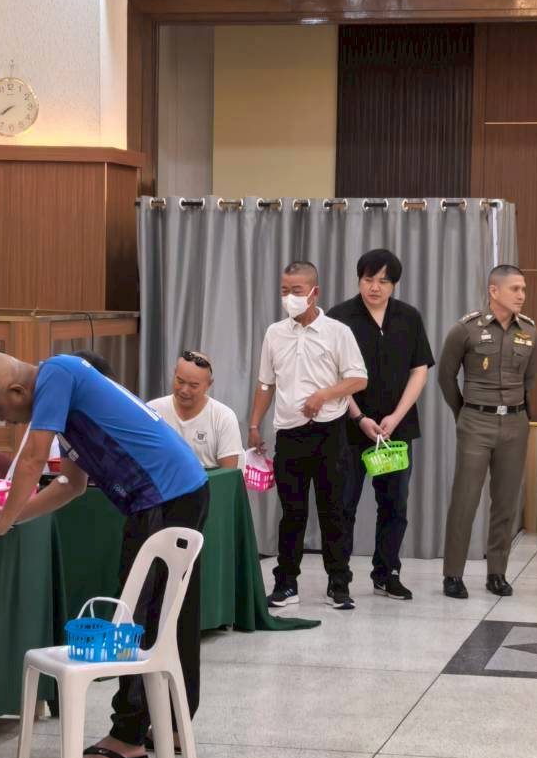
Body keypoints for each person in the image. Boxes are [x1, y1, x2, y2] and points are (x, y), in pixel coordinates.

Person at [0, 352, 209, 758]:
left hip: (163, 497)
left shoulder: (57, 374)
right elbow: (70, 485)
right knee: (168, 612)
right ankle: (170, 724)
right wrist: (11, 517)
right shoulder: (67, 396)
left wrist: (3, 522)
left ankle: (128, 735)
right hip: (180, 490)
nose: (4, 421)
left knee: (135, 615)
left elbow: (32, 460)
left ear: (18, 391)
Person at [249, 261, 368, 610]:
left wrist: (324, 395)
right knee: (292, 513)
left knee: (334, 511)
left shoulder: (337, 332)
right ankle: (286, 584)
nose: (289, 297)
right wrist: (254, 424)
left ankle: (338, 584)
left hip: (330, 432)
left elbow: (358, 379)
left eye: (297, 291)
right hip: (289, 433)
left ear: (315, 292)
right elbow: (265, 383)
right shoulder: (275, 333)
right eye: (284, 290)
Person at [327, 249, 434, 601]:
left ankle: (387, 573)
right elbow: (332, 376)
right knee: (343, 505)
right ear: (359, 279)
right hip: (348, 429)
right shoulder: (339, 318)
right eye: (369, 279)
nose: (375, 287)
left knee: (394, 504)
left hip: (394, 432)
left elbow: (419, 370)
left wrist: (395, 417)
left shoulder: (408, 317)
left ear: (394, 284)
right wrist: (359, 417)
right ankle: (338, 579)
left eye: (384, 281)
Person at [438, 265, 537, 600]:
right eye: (515, 289)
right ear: (494, 291)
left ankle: (497, 572)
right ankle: (453, 574)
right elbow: (446, 377)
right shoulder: (465, 329)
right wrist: (464, 413)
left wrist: (520, 417)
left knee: (506, 501)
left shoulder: (530, 331)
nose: (521, 295)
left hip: (515, 423)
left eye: (523, 289)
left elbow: (529, 380)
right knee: (465, 500)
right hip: (475, 421)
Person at [148, 351, 242, 469]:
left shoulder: (223, 417)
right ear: (174, 374)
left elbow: (229, 473)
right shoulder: (153, 411)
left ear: (209, 385)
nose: (184, 390)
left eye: (193, 385)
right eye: (180, 381)